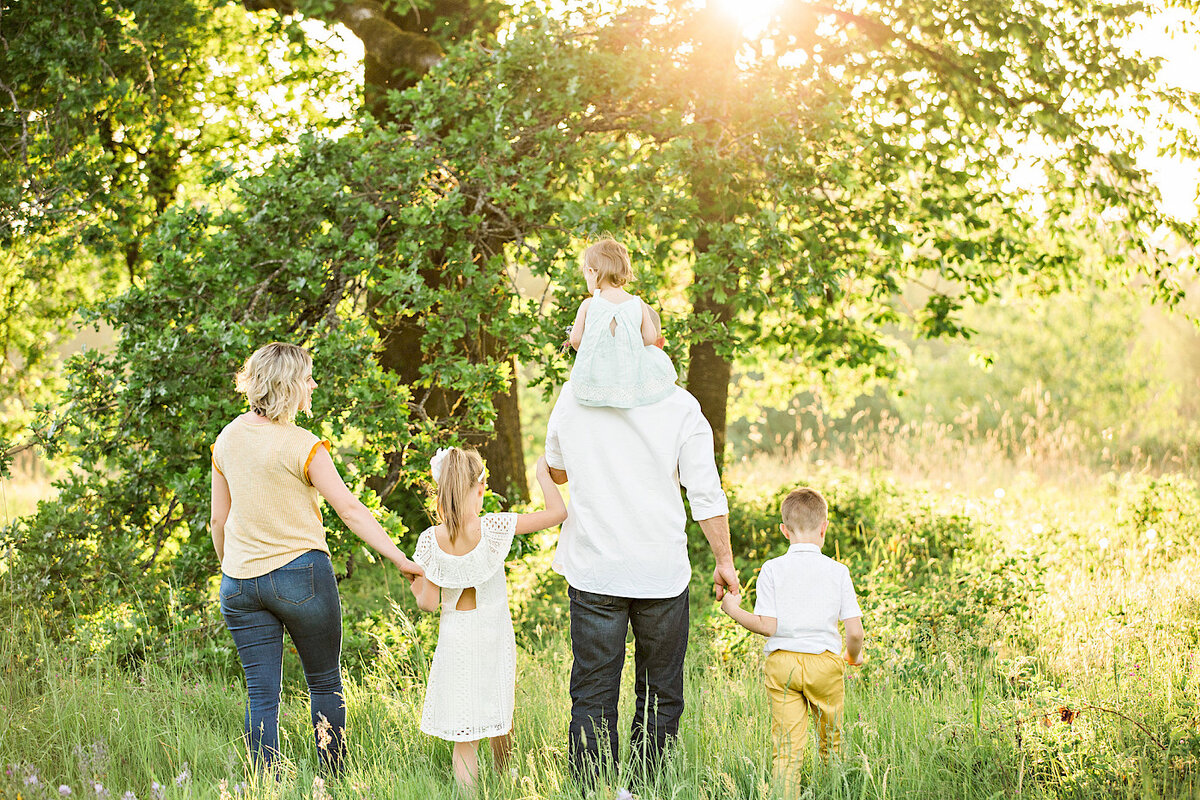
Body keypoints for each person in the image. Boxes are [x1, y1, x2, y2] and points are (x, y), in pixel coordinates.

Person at [210, 342, 424, 774]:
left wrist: (231, 569)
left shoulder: (227, 438)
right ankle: (333, 778)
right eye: (308, 377)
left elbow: (219, 521)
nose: (314, 384)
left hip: (238, 582)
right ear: (289, 385)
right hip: (300, 576)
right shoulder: (303, 445)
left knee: (260, 695)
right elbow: (350, 511)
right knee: (325, 682)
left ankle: (266, 783)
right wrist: (400, 558)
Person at [544, 309, 738, 782]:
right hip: (660, 569)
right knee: (660, 690)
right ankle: (644, 786)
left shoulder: (573, 399)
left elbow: (557, 469)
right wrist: (724, 561)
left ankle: (593, 789)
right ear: (653, 339)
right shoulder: (680, 405)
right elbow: (705, 493)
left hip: (595, 570)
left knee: (593, 688)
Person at [409, 447, 567, 789]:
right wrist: (542, 476)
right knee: (500, 710)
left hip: (455, 639)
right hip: (493, 634)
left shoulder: (430, 541)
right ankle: (504, 779)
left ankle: (469, 794)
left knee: (465, 733)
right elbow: (557, 513)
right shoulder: (494, 527)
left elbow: (428, 603)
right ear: (479, 488)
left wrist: (415, 584)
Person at [719, 487, 864, 787]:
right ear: (824, 528)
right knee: (831, 740)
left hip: (782, 665)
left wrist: (733, 610)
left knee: (786, 749)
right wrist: (853, 656)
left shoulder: (771, 569)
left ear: (784, 530)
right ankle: (833, 790)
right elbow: (855, 631)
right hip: (825, 664)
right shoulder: (838, 571)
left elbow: (767, 626)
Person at [566, 236, 678, 408]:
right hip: (629, 376)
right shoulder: (637, 303)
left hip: (598, 375)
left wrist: (594, 350)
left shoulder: (589, 304)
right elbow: (649, 338)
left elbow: (575, 340)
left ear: (590, 271)